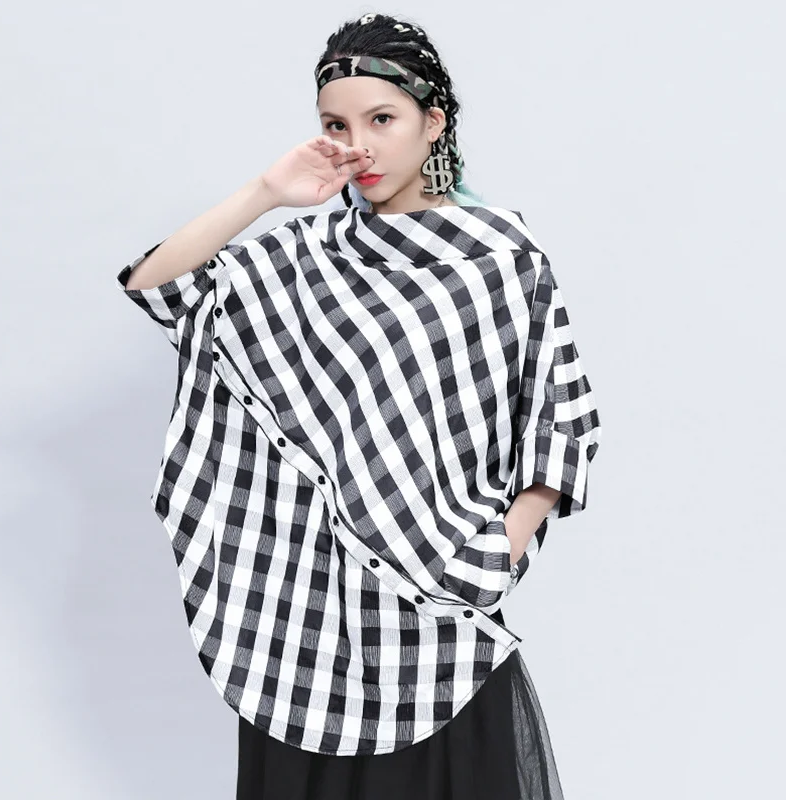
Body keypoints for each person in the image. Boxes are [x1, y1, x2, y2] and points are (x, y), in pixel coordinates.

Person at [116, 12, 601, 800]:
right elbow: (156, 287)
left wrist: (497, 554)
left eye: (382, 120)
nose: (359, 146)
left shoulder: (499, 258)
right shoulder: (301, 255)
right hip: (303, 632)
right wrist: (268, 193)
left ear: (433, 122)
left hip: (436, 621)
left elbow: (561, 419)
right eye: (337, 125)